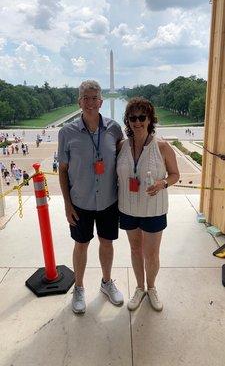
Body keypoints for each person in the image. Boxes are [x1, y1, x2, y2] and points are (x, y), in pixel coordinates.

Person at [58, 80, 124, 314]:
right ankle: (79, 287)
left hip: (108, 200)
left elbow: (125, 160)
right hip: (80, 201)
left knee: (107, 243)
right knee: (81, 244)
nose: (90, 102)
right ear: (79, 102)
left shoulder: (115, 129)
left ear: (101, 101)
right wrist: (67, 204)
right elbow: (63, 170)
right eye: (86, 98)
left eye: (94, 97)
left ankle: (106, 282)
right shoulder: (66, 132)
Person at [117, 97, 180, 312]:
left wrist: (162, 183)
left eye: (142, 117)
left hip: (153, 209)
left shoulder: (162, 147)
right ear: (128, 120)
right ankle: (139, 287)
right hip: (128, 208)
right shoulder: (121, 147)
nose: (137, 121)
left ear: (150, 119)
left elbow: (175, 175)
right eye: (132, 117)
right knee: (135, 250)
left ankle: (151, 288)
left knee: (151, 254)